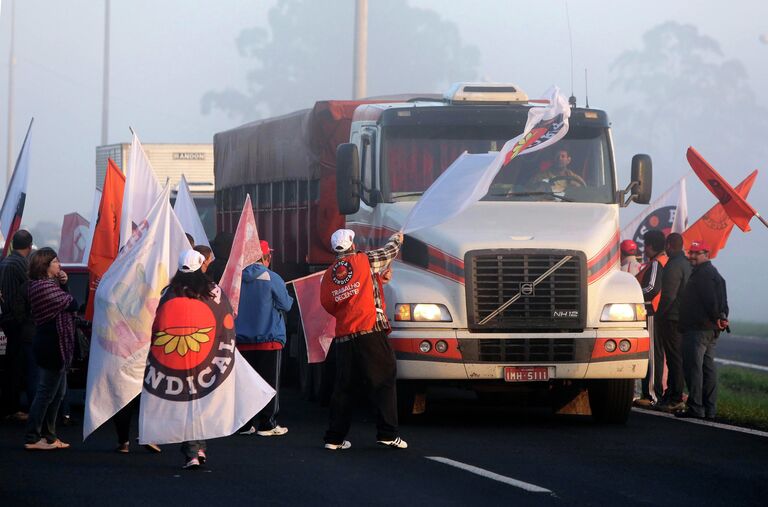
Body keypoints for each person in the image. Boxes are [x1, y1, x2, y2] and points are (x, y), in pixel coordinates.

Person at [320, 228, 406, 451]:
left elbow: (328, 304)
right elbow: (388, 253)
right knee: (385, 379)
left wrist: (377, 280)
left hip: (344, 336)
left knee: (344, 388)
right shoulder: (363, 260)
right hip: (370, 330)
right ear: (351, 245)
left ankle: (334, 438)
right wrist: (396, 239)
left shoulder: (329, 274)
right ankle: (388, 433)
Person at [154, 249, 225, 468]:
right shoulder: (212, 290)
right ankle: (199, 447)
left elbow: (159, 321)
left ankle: (193, 451)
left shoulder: (170, 291)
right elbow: (224, 317)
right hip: (206, 354)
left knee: (187, 402)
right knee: (201, 401)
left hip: (178, 355)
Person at [235, 239, 294, 436]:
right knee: (270, 383)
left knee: (246, 384)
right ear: (266, 257)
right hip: (269, 339)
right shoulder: (272, 277)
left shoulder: (236, 278)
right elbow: (286, 305)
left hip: (242, 340)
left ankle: (244, 424)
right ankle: (267, 424)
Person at [23, 248, 77, 450]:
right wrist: (64, 285)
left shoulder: (45, 285)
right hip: (51, 345)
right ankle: (33, 436)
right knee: (46, 393)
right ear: (45, 266)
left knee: (58, 393)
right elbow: (72, 303)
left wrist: (63, 283)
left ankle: (49, 435)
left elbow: (68, 302)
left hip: (53, 344)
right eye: (55, 261)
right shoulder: (43, 287)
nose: (59, 265)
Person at [675, 240, 729, 420]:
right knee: (707, 368)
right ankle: (710, 409)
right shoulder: (714, 274)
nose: (691, 257)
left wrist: (717, 317)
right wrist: (721, 318)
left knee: (694, 369)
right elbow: (722, 300)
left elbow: (710, 300)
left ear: (706, 254)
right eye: (690, 253)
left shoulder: (703, 275)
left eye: (695, 254)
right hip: (710, 329)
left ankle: (696, 408)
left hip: (698, 329)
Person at [0, 230, 36, 422]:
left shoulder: (4, 262)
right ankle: (12, 408)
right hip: (18, 321)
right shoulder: (22, 264)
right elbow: (32, 289)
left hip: (6, 318)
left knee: (10, 365)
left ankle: (8, 406)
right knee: (18, 367)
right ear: (30, 246)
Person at [655, 233, 691, 412]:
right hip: (682, 318)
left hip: (671, 318)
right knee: (676, 358)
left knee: (674, 358)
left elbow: (668, 296)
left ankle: (675, 397)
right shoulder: (686, 263)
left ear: (669, 245)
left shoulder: (673, 265)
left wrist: (658, 316)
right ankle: (672, 393)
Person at [633, 229, 668, 408]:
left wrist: (631, 294)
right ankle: (652, 393)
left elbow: (652, 288)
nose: (644, 250)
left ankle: (652, 395)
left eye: (645, 246)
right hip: (656, 313)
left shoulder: (655, 264)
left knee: (653, 355)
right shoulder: (661, 261)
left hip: (651, 312)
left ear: (651, 246)